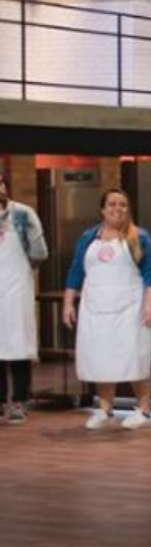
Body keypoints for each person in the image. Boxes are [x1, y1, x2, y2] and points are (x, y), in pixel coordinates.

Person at [62, 189, 151, 430]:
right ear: (103, 209)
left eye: (123, 205)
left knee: (135, 357)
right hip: (95, 308)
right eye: (112, 204)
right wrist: (68, 303)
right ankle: (105, 408)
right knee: (101, 358)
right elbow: (75, 272)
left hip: (130, 308)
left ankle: (144, 409)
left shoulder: (139, 237)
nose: (118, 209)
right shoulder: (88, 238)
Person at [0, 169, 47, 425]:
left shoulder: (22, 214)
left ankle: (19, 401)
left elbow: (39, 252)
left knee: (18, 345)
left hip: (16, 288)